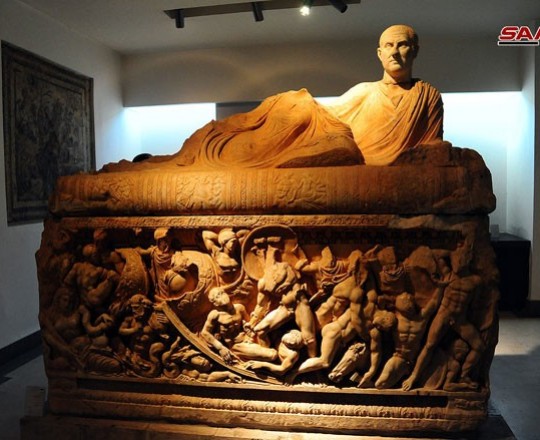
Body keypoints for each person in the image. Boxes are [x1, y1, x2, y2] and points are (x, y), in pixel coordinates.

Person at [327, 24, 443, 165]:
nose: (394, 52)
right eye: (389, 45)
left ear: (415, 51)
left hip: (406, 171)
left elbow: (432, 146)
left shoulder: (427, 95)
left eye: (402, 45)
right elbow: (325, 120)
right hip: (363, 168)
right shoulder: (363, 92)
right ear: (379, 53)